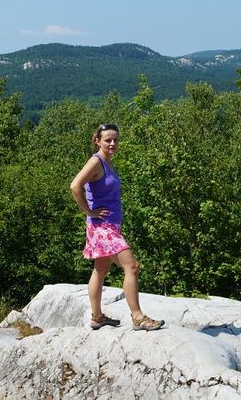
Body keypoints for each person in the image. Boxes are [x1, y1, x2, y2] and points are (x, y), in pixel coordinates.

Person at [70, 124, 164, 332]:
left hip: (110, 224)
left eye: (115, 140)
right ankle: (138, 317)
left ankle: (97, 317)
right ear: (97, 141)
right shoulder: (96, 162)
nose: (113, 143)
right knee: (132, 266)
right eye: (108, 140)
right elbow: (75, 185)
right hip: (102, 227)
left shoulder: (108, 163)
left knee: (101, 269)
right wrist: (89, 211)